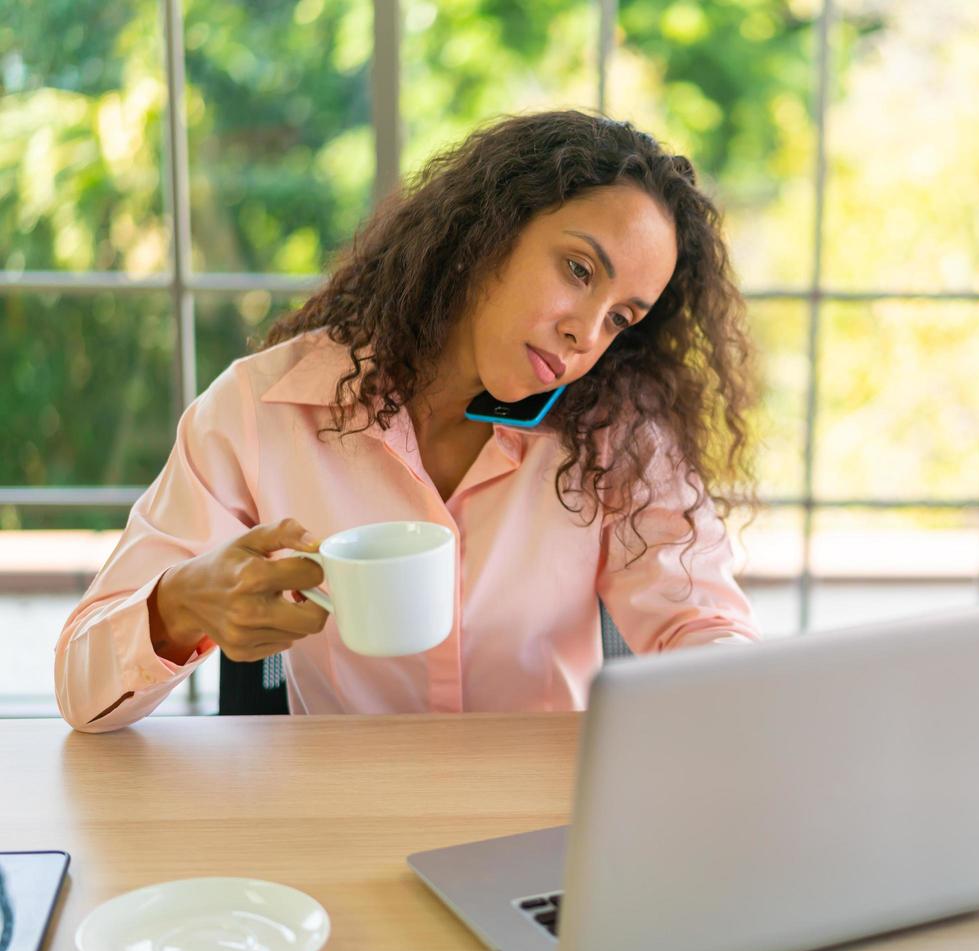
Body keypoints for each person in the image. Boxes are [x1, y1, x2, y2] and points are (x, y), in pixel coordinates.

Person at [54, 110, 762, 733]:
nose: (586, 333)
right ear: (490, 231)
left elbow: (700, 625)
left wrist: (749, 696)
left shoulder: (619, 433)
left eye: (620, 317)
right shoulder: (259, 410)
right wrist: (178, 608)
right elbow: (81, 693)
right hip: (346, 822)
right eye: (579, 270)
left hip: (542, 831)